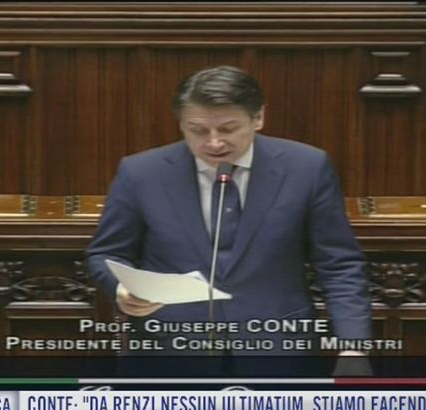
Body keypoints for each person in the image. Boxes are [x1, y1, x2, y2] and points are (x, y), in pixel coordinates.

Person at [86, 65, 371, 375]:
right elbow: (107, 253)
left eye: (228, 129)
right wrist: (122, 289)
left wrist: (353, 346)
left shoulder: (307, 168)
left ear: (258, 118)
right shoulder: (141, 172)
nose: (214, 143)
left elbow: (338, 263)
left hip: (278, 348)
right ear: (181, 123)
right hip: (170, 350)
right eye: (198, 130)